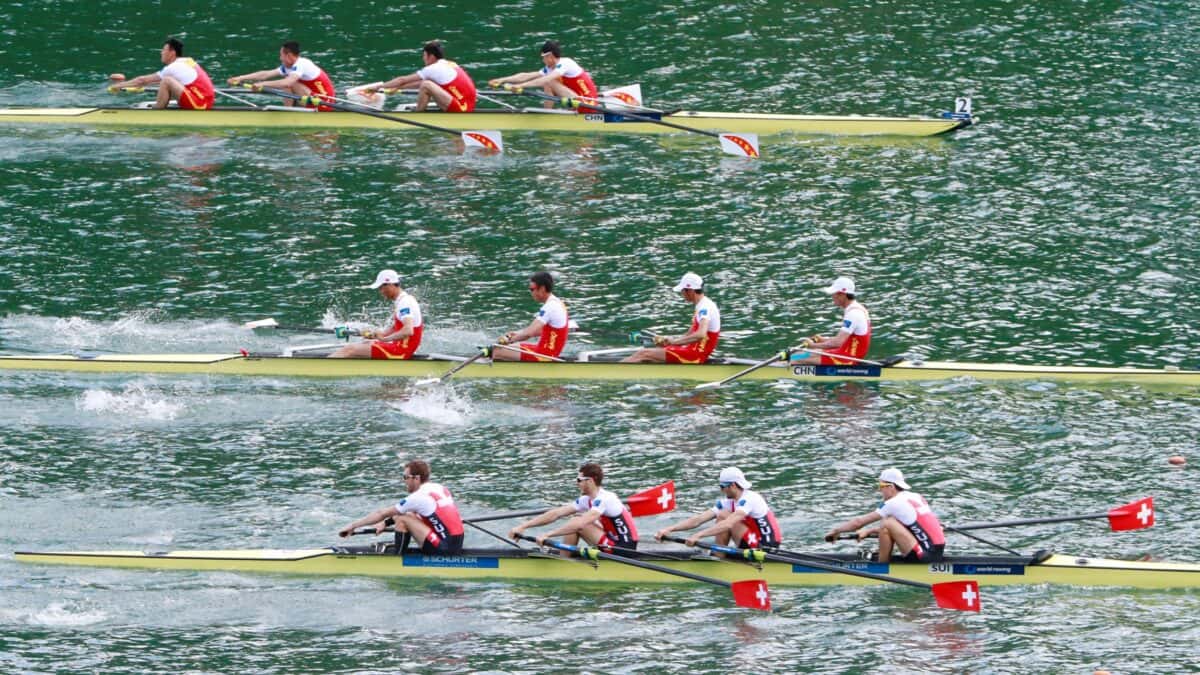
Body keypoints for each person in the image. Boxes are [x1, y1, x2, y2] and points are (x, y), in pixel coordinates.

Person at [337, 459, 465, 555]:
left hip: (445, 549)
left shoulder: (418, 497)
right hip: (455, 542)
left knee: (402, 519)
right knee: (407, 515)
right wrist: (386, 523)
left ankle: (398, 559)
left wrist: (353, 525)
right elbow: (416, 513)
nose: (404, 481)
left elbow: (381, 513)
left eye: (405, 477)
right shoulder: (439, 488)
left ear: (416, 478)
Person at [508, 463, 638, 553]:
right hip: (612, 542)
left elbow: (580, 524)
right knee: (575, 519)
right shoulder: (586, 500)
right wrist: (523, 526)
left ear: (590, 481)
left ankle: (565, 564)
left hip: (624, 549)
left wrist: (548, 534)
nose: (577, 483)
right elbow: (555, 514)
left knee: (577, 522)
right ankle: (565, 560)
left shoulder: (605, 498)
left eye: (579, 480)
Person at [823, 468, 945, 563]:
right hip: (936, 551)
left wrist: (836, 531)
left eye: (881, 486)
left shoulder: (893, 503)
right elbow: (906, 528)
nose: (879, 490)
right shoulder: (916, 496)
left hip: (924, 556)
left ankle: (881, 567)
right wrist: (868, 531)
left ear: (891, 487)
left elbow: (858, 523)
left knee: (887, 523)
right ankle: (884, 560)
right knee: (889, 523)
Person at [654, 467, 782, 551]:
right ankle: (718, 556)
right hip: (751, 542)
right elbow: (698, 519)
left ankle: (718, 557)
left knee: (724, 517)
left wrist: (698, 535)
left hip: (765, 547)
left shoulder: (750, 499)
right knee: (722, 514)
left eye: (722, 486)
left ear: (732, 485)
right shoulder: (729, 502)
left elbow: (728, 524)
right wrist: (669, 529)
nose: (720, 489)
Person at [622, 272, 720, 363]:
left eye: (682, 291)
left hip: (695, 355)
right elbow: (690, 334)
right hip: (692, 350)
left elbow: (700, 334)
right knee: (653, 353)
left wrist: (675, 342)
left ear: (690, 291)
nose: (682, 294)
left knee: (643, 353)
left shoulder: (705, 308)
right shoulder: (703, 304)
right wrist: (670, 341)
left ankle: (614, 371)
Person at [329, 269, 423, 359]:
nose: (381, 292)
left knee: (349, 349)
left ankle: (322, 367)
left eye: (381, 288)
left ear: (390, 284)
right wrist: (381, 334)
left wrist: (385, 339)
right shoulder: (402, 300)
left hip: (400, 351)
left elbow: (408, 330)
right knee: (366, 343)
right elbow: (396, 327)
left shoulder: (405, 302)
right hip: (399, 347)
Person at [488, 40, 598, 111]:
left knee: (547, 81)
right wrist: (501, 80)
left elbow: (545, 79)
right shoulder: (550, 68)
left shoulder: (565, 63)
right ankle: (547, 113)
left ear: (550, 56)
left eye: (543, 57)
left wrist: (522, 86)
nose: (543, 60)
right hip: (577, 102)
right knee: (545, 80)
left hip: (588, 103)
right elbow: (526, 75)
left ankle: (547, 115)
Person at [107, 38, 215, 110]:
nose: (161, 52)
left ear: (172, 53)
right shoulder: (186, 61)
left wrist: (117, 86)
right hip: (203, 101)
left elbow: (142, 80)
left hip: (199, 104)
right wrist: (138, 86)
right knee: (166, 80)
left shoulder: (174, 67)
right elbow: (153, 82)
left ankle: (158, 109)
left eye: (164, 50)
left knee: (167, 80)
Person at [370, 41, 476, 113]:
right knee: (427, 83)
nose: (423, 59)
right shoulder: (449, 64)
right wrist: (399, 88)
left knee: (426, 85)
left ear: (431, 56)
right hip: (467, 105)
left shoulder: (433, 68)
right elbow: (416, 83)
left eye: (424, 56)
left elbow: (401, 80)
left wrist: (379, 87)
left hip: (461, 108)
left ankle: (419, 115)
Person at [227, 41, 336, 110]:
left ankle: (288, 112)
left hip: (325, 103)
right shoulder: (289, 66)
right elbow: (265, 74)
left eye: (281, 55)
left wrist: (262, 85)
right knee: (286, 82)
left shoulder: (302, 64)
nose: (280, 58)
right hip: (312, 99)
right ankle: (288, 110)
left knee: (288, 82)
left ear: (288, 56)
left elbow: (288, 83)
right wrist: (240, 78)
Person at [790, 276, 871, 365]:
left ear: (842, 294)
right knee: (804, 354)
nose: (832, 296)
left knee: (796, 357)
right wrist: (823, 340)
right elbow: (846, 340)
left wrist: (813, 345)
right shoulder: (857, 308)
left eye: (834, 293)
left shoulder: (853, 313)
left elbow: (838, 342)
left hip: (847, 358)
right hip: (846, 353)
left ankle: (778, 370)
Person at [492, 271, 568, 362]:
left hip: (542, 356)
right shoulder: (557, 302)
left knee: (496, 351)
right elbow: (540, 330)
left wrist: (509, 340)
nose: (531, 292)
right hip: (545, 352)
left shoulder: (550, 307)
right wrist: (517, 333)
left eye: (532, 289)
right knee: (505, 348)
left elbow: (529, 334)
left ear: (542, 289)